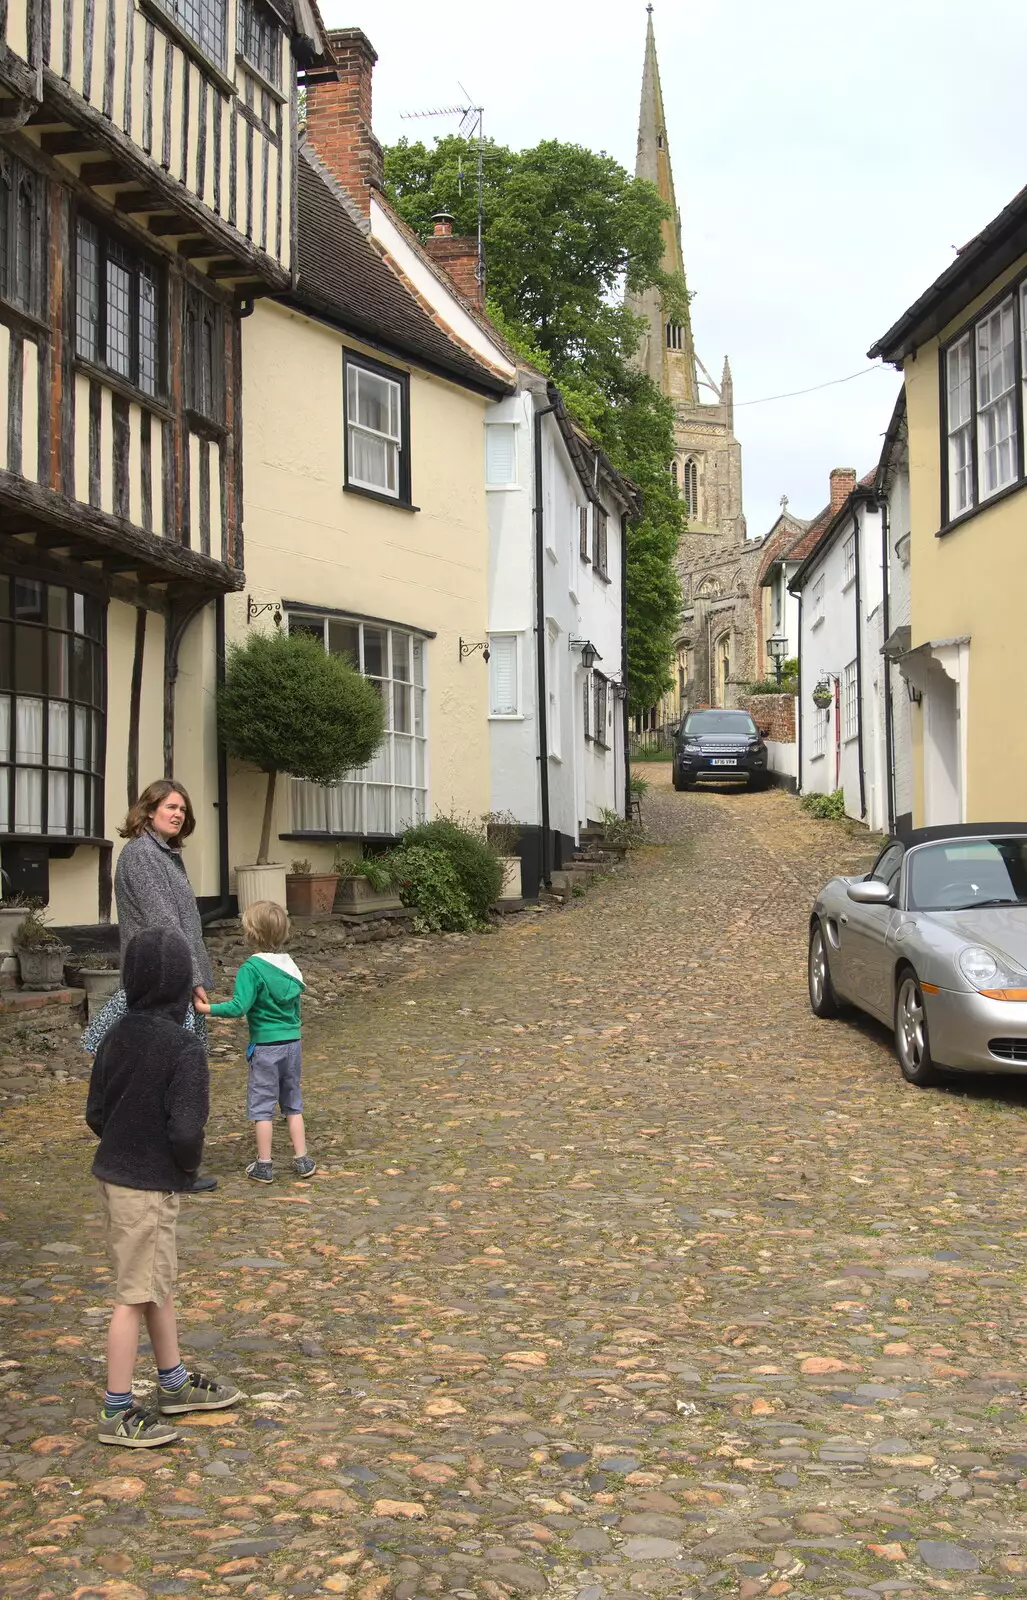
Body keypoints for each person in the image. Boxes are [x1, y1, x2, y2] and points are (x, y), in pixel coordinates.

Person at [86, 927, 241, 1448]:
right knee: (133, 1295)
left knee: (155, 1284)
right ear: (182, 985)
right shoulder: (183, 1046)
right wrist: (187, 1168)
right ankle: (116, 1410)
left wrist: (127, 1145)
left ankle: (173, 1382)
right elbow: (186, 1128)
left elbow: (97, 1113)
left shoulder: (114, 1034)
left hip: (114, 1174)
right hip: (148, 1184)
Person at [83, 778, 218, 1193]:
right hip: (160, 982)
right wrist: (193, 980)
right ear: (148, 810)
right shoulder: (142, 854)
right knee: (165, 1071)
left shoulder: (164, 854)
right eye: (170, 807)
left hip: (168, 980)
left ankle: (158, 1159)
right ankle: (164, 1164)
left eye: (182, 809)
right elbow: (165, 923)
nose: (178, 814)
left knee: (157, 1071)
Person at [195, 900, 315, 1184]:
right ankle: (302, 1159)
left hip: (265, 1047)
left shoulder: (251, 968)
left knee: (263, 1106)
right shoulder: (290, 967)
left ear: (250, 933)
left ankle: (264, 1163)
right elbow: (296, 1010)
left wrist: (208, 1009)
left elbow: (239, 1007)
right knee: (292, 1103)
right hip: (292, 1043)